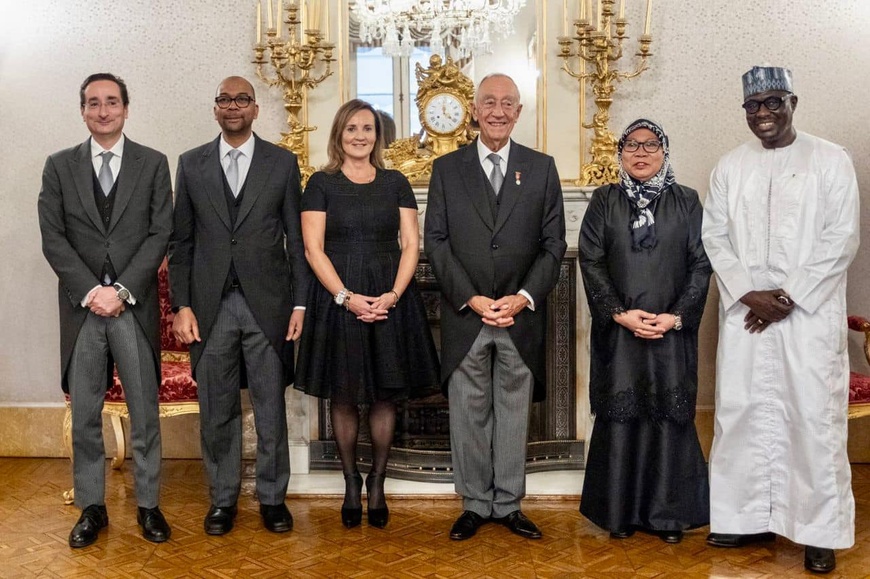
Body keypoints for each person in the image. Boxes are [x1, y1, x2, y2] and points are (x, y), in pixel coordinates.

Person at [702, 66, 859, 574]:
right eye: (753, 106)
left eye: (773, 103)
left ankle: (818, 532)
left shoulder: (831, 159)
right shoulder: (730, 165)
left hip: (806, 320)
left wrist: (786, 298)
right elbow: (715, 237)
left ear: (792, 101)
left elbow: (842, 238)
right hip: (747, 314)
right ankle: (745, 517)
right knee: (743, 413)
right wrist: (750, 294)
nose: (763, 114)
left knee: (811, 420)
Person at [424, 73, 567, 541]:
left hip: (518, 316)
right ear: (475, 109)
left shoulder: (541, 167)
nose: (499, 111)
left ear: (519, 112)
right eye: (490, 102)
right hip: (468, 314)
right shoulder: (447, 169)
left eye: (508, 103)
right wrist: (471, 297)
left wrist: (522, 298)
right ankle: (473, 504)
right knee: (468, 411)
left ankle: (508, 505)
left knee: (513, 412)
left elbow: (553, 245)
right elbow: (437, 244)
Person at [168, 76, 312, 536]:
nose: (233, 106)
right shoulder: (191, 165)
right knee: (217, 410)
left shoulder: (283, 163)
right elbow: (182, 242)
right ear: (215, 110)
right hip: (209, 309)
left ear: (255, 109)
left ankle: (272, 498)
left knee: (271, 408)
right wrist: (182, 305)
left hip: (268, 306)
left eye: (242, 99)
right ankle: (223, 500)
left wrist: (300, 305)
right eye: (225, 100)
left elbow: (298, 241)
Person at [38, 72, 173, 548]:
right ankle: (92, 508)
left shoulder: (153, 164)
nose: (103, 110)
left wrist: (123, 291)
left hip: (132, 309)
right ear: (82, 111)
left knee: (144, 411)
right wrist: (92, 291)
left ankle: (149, 506)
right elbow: (52, 238)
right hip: (84, 311)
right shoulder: (58, 166)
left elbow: (161, 233)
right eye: (93, 103)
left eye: (111, 102)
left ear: (125, 109)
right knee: (86, 414)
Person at [295, 99, 440, 529]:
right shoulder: (320, 184)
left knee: (384, 393)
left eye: (369, 128)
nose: (361, 136)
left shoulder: (395, 181)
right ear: (339, 133)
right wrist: (345, 297)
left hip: (389, 296)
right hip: (338, 296)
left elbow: (412, 243)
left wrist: (393, 295)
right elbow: (312, 249)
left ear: (378, 135)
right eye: (352, 128)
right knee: (343, 394)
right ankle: (349, 480)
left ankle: (376, 481)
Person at [578, 119, 712, 544]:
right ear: (620, 153)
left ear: (664, 152)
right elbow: (591, 260)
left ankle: (668, 518)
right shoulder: (604, 200)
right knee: (622, 417)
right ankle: (619, 514)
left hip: (671, 333)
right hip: (620, 334)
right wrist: (619, 313)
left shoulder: (687, 200)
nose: (640, 152)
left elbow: (701, 264)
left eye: (650, 145)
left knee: (668, 417)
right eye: (631, 145)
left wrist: (675, 317)